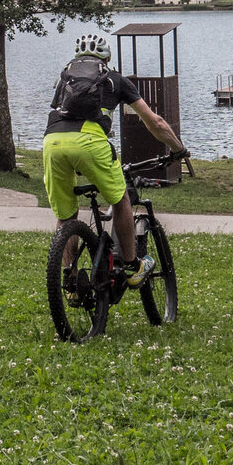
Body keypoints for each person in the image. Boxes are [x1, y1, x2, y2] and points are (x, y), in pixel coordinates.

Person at [43, 34, 188, 288]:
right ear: (107, 58)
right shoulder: (115, 79)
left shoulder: (64, 77)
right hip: (90, 143)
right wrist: (179, 149)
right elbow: (155, 122)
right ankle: (132, 267)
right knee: (120, 199)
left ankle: (70, 279)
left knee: (66, 216)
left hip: (52, 141)